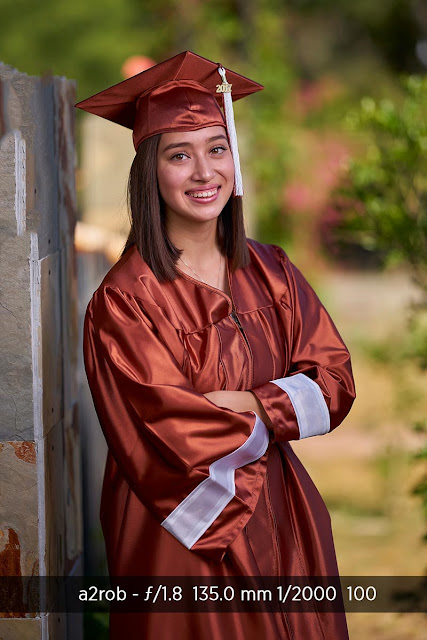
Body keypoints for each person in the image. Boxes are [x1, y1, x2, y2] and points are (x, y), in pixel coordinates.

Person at [76, 51, 356, 640]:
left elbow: (334, 379)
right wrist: (280, 406)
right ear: (149, 170)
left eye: (217, 148)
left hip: (284, 516)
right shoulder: (125, 301)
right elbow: (170, 429)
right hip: (183, 530)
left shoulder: (271, 270)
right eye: (180, 154)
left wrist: (256, 404)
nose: (204, 172)